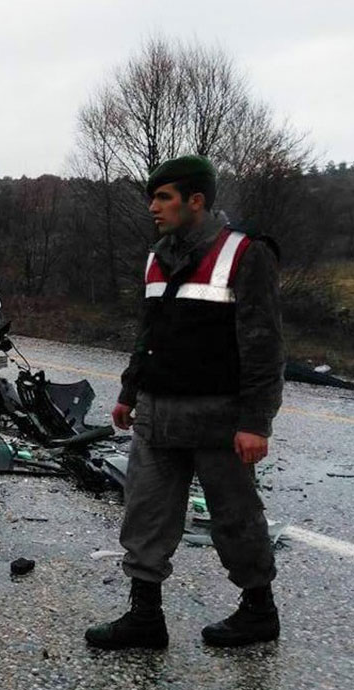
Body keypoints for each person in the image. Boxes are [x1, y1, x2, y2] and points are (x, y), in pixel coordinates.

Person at [85, 156, 284, 650]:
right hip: (157, 414)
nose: (153, 207)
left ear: (197, 200)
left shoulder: (244, 254)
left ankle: (259, 610)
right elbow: (148, 332)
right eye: (152, 197)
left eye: (164, 197)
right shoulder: (157, 255)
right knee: (145, 515)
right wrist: (130, 392)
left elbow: (263, 345)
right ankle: (145, 618)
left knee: (236, 517)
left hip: (219, 418)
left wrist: (256, 422)